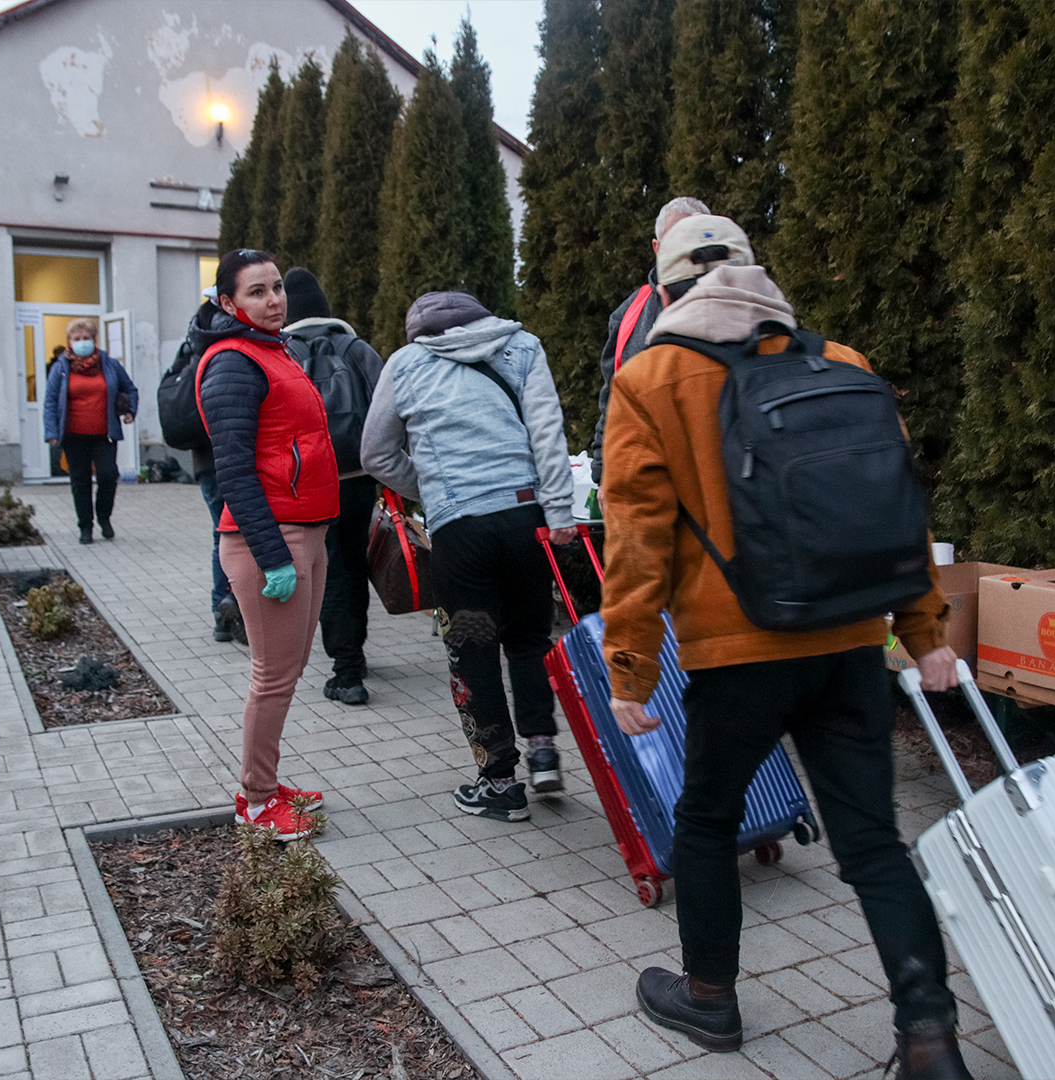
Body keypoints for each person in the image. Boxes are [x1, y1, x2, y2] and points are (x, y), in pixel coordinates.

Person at [599, 214, 972, 1078]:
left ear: (664, 291)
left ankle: (709, 998)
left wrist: (629, 669)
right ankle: (929, 1038)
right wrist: (925, 639)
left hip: (739, 657)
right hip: (849, 645)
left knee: (706, 819)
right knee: (873, 842)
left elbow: (638, 539)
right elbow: (898, 516)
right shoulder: (842, 364)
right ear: (755, 277)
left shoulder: (650, 379)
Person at [361, 292, 575, 822]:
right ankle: (543, 748)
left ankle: (500, 783)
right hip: (526, 519)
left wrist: (433, 489)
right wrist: (561, 510)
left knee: (472, 649)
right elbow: (547, 434)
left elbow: (375, 454)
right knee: (530, 637)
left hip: (461, 533)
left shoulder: (406, 364)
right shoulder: (523, 346)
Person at [189, 249, 337, 840]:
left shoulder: (274, 351)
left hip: (307, 530)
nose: (274, 300)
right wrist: (273, 554)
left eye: (277, 288)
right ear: (228, 303)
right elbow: (234, 471)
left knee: (290, 667)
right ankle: (255, 800)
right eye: (257, 292)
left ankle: (267, 782)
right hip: (269, 540)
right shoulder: (232, 363)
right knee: (272, 676)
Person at [281, 268, 385, 706]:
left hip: (310, 484)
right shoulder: (357, 349)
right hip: (360, 479)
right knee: (356, 563)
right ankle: (355, 654)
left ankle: (345, 672)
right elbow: (388, 411)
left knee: (330, 573)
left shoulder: (281, 353)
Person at [587, 195, 711, 485]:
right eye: (675, 241)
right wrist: (603, 469)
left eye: (693, 240)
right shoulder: (629, 313)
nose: (684, 252)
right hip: (645, 480)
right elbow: (613, 397)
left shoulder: (732, 305)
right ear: (656, 247)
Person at [179, 287, 245, 644]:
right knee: (240, 535)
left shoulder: (195, 338)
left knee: (223, 534)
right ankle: (236, 608)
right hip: (232, 456)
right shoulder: (235, 342)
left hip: (206, 459)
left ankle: (223, 610)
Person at [43, 318, 137, 544]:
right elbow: (50, 401)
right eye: (77, 339)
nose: (81, 342)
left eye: (86, 338)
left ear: (94, 340)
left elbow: (129, 388)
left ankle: (104, 517)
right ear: (69, 342)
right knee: (80, 481)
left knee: (108, 475)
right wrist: (51, 432)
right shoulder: (60, 368)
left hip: (104, 433)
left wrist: (130, 410)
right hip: (73, 435)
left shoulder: (109, 364)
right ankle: (85, 526)